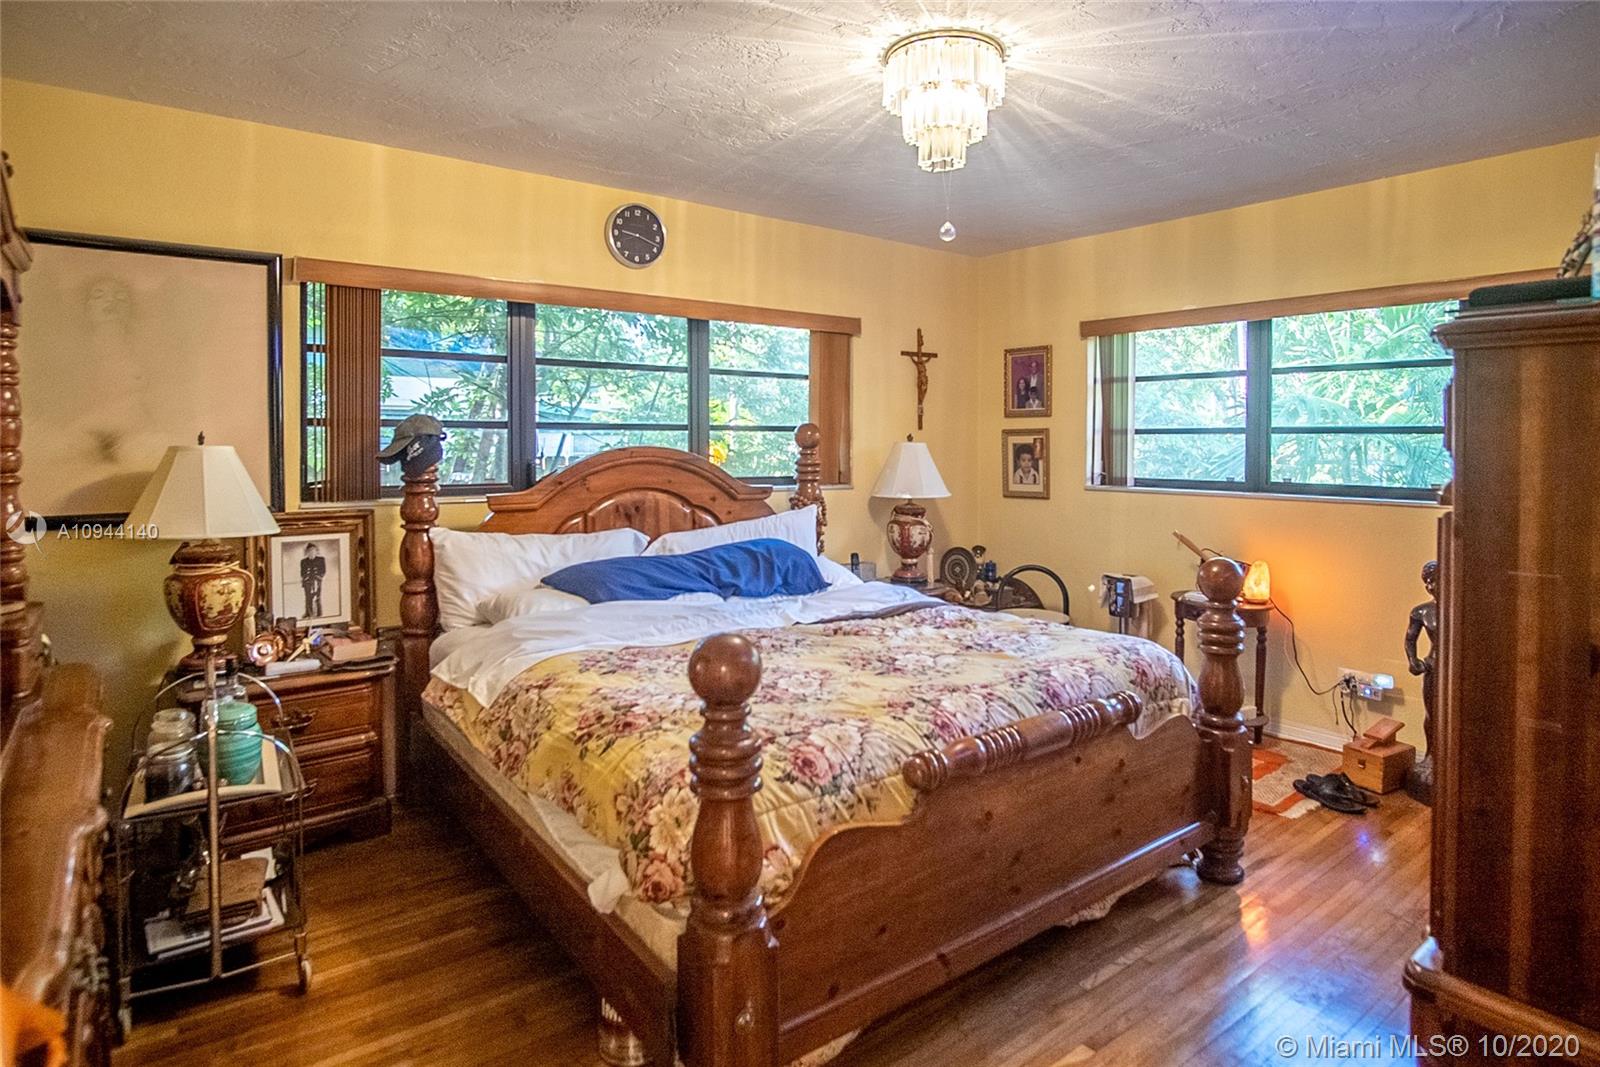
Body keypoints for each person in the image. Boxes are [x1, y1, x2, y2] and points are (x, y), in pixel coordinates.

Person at [300, 543, 326, 618]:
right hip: (307, 582)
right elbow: (302, 572)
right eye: (309, 551)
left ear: (316, 551)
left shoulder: (321, 559)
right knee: (308, 598)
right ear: (307, 552)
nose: (311, 552)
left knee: (317, 597)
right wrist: (305, 578)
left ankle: (319, 613)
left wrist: (318, 578)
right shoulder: (303, 561)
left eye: (313, 550)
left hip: (317, 581)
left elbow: (323, 571)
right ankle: (308, 613)